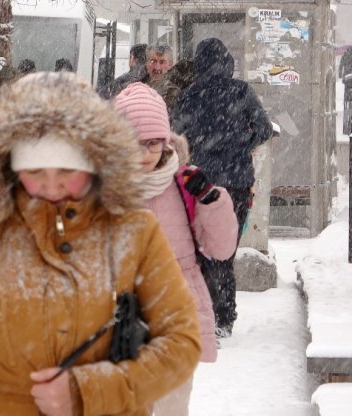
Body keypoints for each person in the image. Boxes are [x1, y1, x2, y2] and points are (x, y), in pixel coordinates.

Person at [0, 71, 201, 415]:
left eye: (68, 170)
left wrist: (90, 391)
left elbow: (181, 340)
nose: (53, 187)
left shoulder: (134, 231)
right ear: (9, 163)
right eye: (36, 171)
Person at [114, 83, 238, 415]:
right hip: (120, 320)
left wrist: (211, 201)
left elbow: (222, 249)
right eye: (134, 144)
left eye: (153, 143)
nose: (144, 154)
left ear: (166, 141)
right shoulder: (103, 189)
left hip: (175, 317)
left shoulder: (183, 185)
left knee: (172, 408)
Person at [171, 37, 273, 339]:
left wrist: (199, 151)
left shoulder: (189, 95)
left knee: (200, 248)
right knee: (225, 250)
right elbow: (264, 129)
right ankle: (224, 316)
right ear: (228, 62)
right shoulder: (241, 91)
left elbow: (175, 134)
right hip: (237, 181)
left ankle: (203, 311)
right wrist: (242, 146)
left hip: (199, 183)